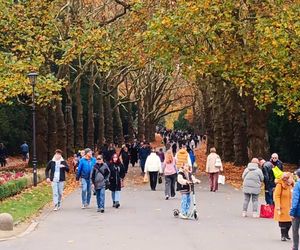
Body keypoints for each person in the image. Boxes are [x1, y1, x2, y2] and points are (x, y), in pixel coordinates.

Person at [274, 172, 294, 241]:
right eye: (288, 179)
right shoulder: (280, 185)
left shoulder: (291, 185)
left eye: (290, 179)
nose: (289, 180)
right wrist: (278, 205)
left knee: (290, 221)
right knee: (283, 222)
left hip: (290, 206)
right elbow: (277, 196)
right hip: (282, 206)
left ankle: (286, 234)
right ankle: (283, 235)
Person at [290, 169, 300, 250]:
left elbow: (295, 199)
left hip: (297, 212)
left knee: (295, 230)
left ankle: (295, 247)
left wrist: (292, 212)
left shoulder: (298, 185)